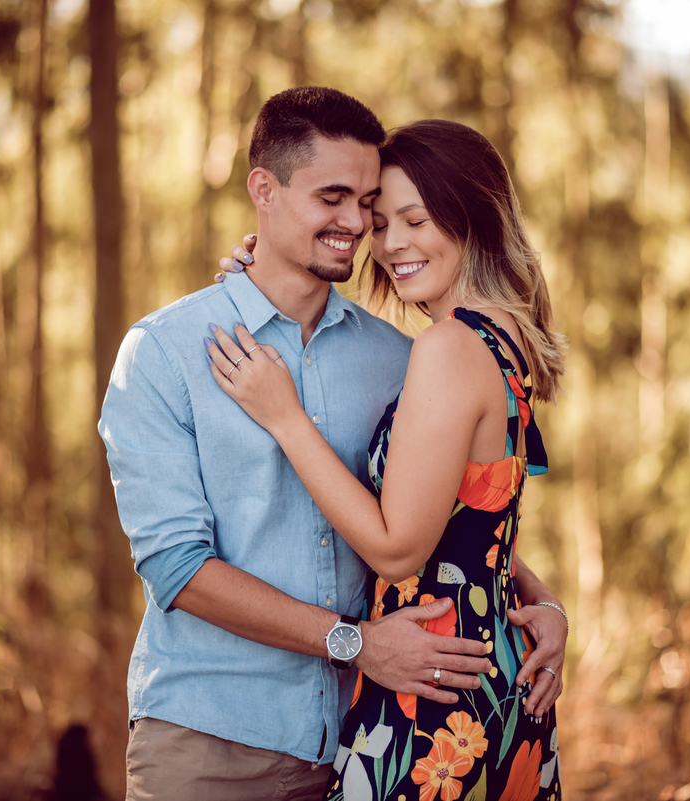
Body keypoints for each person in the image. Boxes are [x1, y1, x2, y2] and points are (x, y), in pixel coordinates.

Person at [100, 88, 564, 801]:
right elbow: (178, 568)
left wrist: (541, 599)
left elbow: (441, 513)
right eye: (337, 199)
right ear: (265, 190)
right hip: (213, 743)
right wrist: (356, 642)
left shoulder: (403, 356)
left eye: (371, 207)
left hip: (372, 735)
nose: (358, 226)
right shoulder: (166, 353)